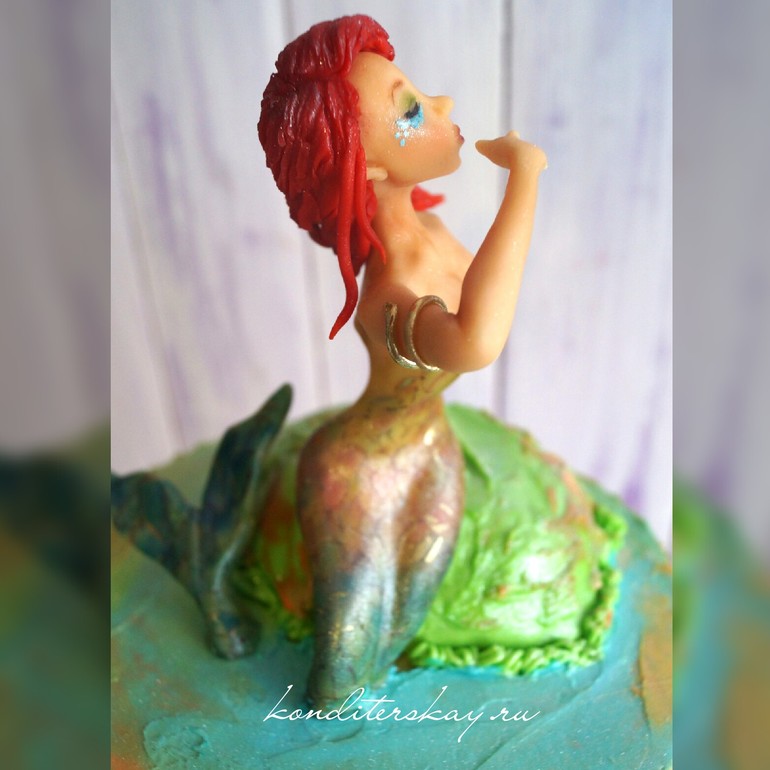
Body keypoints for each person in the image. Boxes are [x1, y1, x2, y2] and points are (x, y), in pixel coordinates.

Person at [259, 15, 546, 707]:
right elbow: (476, 342)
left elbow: (491, 299)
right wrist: (525, 179)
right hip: (355, 469)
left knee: (400, 630)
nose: (441, 104)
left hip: (430, 446)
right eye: (410, 109)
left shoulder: (437, 233)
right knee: (340, 673)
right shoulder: (390, 290)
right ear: (371, 169)